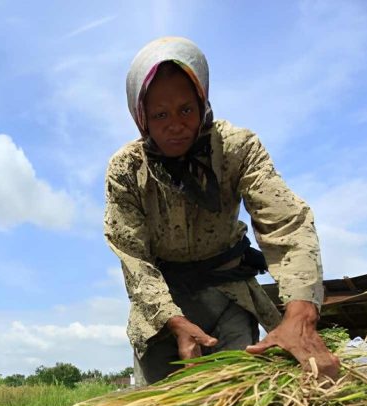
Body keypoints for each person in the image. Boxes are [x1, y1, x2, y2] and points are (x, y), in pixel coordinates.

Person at [104, 36, 340, 384]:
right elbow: (134, 259)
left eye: (186, 109)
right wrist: (175, 321)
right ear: (142, 117)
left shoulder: (236, 148)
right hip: (162, 306)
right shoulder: (126, 170)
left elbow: (286, 223)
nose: (175, 124)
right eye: (160, 114)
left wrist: (301, 313)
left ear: (202, 100)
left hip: (229, 294)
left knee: (233, 397)